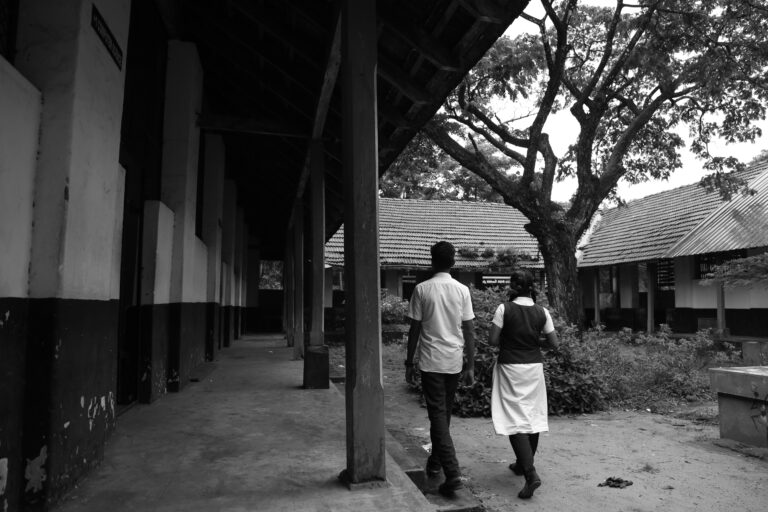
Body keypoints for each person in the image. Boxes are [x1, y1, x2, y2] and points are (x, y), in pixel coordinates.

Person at [405, 241, 476, 497]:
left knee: (438, 416)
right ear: (453, 262)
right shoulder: (462, 291)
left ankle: (453, 473)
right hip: (454, 362)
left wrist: (408, 362)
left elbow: (415, 329)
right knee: (442, 416)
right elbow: (469, 329)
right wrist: (471, 364)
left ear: (432, 261)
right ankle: (435, 464)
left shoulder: (422, 289)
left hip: (430, 361)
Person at [488, 269, 558, 500]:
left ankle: (530, 474)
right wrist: (533, 345)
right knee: (532, 414)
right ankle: (522, 464)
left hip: (510, 367)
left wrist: (512, 339)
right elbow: (554, 344)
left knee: (515, 419)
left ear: (513, 286)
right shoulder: (542, 311)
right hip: (534, 368)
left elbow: (493, 340)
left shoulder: (504, 309)